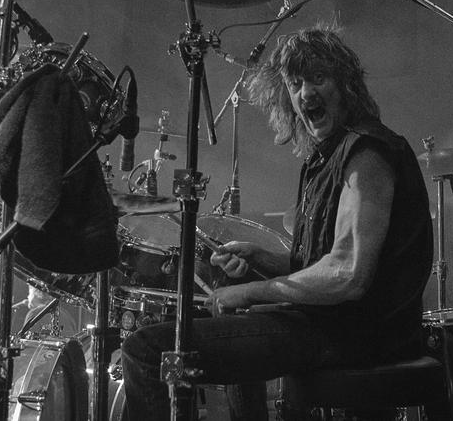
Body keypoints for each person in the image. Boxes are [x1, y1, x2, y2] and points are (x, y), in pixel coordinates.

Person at [120, 24, 434, 420]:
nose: (306, 94)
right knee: (227, 320)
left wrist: (251, 292)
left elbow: (348, 275)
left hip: (357, 335)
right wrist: (261, 259)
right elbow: (322, 264)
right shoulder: (325, 158)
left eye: (318, 78)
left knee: (146, 349)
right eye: (295, 84)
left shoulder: (366, 153)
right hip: (332, 326)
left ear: (346, 84)